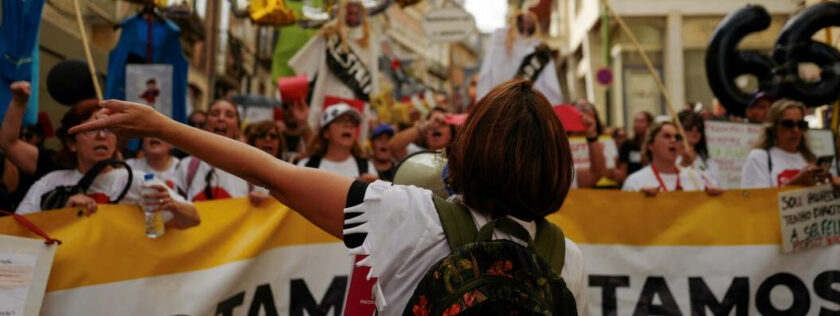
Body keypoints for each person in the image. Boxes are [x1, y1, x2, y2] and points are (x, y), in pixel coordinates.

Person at [70, 79, 588, 314]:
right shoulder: (570, 261)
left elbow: (271, 172)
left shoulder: (407, 215)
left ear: (469, 148)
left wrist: (162, 125)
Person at [14, 99, 199, 229]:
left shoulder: (138, 181)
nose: (101, 136)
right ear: (71, 143)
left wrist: (173, 205)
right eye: (91, 130)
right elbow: (20, 229)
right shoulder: (50, 183)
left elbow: (193, 220)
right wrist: (60, 212)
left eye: (107, 129)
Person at [289, 0, 379, 142]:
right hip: (328, 93)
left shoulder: (369, 39)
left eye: (356, 13)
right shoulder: (330, 33)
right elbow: (304, 66)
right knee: (322, 137)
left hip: (356, 98)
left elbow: (373, 74)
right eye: (350, 13)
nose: (353, 17)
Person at [741, 99, 840, 189]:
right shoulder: (759, 157)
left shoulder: (809, 158)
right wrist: (795, 183)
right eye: (788, 124)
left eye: (801, 125)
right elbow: (755, 202)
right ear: (773, 128)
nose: (795, 130)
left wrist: (830, 182)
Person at [476, 11, 563, 105]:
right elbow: (487, 75)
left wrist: (552, 106)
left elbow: (550, 83)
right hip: (503, 103)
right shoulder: (500, 41)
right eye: (523, 21)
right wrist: (483, 101)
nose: (526, 25)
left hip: (532, 104)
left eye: (529, 22)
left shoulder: (541, 49)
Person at [177, 99, 256, 202]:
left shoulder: (251, 169)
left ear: (238, 129)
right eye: (215, 114)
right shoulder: (186, 167)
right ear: (205, 125)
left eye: (229, 115)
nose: (221, 118)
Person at [623, 121, 722, 195]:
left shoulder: (695, 178)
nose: (673, 140)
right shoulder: (636, 181)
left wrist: (714, 197)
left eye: (677, 137)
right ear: (651, 145)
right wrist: (639, 200)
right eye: (667, 136)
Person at [297, 103, 378, 181]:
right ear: (326, 133)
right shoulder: (306, 166)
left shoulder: (367, 167)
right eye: (341, 120)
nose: (348, 125)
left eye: (353, 122)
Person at [387, 107, 455, 161]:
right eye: (432, 122)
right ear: (426, 135)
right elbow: (394, 146)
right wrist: (426, 126)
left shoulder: (458, 158)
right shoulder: (416, 156)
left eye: (443, 123)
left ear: (451, 133)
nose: (435, 127)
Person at [570, 99, 609, 188]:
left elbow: (598, 173)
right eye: (579, 107)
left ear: (594, 113)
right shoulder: (561, 138)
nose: (583, 110)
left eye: (588, 107)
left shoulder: (605, 138)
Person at [618, 111, 653, 179]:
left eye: (641, 122)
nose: (637, 124)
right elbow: (623, 170)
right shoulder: (627, 145)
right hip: (632, 181)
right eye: (636, 121)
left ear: (649, 124)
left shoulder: (653, 145)